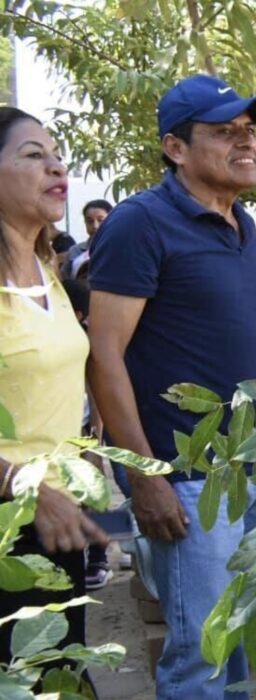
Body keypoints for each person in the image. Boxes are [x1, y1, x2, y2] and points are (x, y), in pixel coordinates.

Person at [87, 75, 256, 699]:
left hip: (251, 472)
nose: (245, 144)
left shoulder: (243, 224)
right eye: (225, 132)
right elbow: (103, 355)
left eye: (248, 132)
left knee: (240, 645)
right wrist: (144, 475)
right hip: (188, 478)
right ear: (175, 148)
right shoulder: (141, 223)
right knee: (200, 658)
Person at [0, 107, 109, 671]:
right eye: (33, 155)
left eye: (57, 155)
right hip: (9, 529)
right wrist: (26, 485)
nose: (56, 166)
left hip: (61, 525)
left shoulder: (51, 275)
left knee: (61, 675)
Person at [60, 199, 111, 280]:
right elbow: (64, 280)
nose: (95, 226)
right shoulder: (75, 251)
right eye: (90, 221)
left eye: (100, 220)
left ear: (111, 221)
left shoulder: (119, 249)